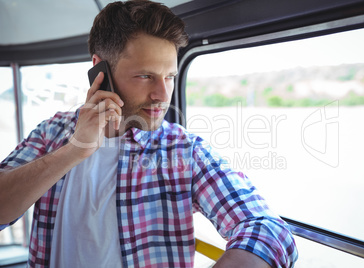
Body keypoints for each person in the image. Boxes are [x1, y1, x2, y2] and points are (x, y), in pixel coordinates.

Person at [0, 0, 298, 267]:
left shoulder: (183, 150)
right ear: (99, 69)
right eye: (145, 76)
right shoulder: (51, 133)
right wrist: (73, 152)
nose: (161, 94)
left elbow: (267, 229)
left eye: (170, 76)